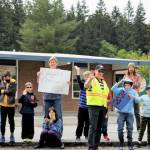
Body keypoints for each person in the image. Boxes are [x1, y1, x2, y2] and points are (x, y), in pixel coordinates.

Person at [85, 64, 110, 150]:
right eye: (99, 71)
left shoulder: (104, 82)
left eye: (102, 71)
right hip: (94, 106)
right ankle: (91, 147)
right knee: (93, 127)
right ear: (95, 71)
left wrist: (106, 108)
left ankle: (96, 146)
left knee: (99, 127)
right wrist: (89, 79)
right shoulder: (92, 79)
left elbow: (106, 95)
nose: (101, 73)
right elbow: (86, 86)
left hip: (103, 107)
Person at [111, 78, 140, 150]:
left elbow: (138, 100)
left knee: (130, 129)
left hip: (130, 114)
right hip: (120, 113)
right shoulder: (121, 90)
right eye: (125, 85)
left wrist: (133, 97)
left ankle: (130, 145)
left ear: (131, 86)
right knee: (120, 129)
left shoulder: (133, 91)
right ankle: (121, 144)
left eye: (128, 85)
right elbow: (113, 89)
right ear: (124, 85)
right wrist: (120, 81)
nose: (127, 86)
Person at [123, 62, 141, 131]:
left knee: (137, 112)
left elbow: (138, 85)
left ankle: (138, 128)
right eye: (129, 67)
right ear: (128, 68)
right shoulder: (125, 75)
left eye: (132, 67)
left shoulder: (138, 76)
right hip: (127, 95)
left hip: (134, 95)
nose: (130, 69)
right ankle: (127, 128)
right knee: (127, 112)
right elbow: (123, 84)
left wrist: (131, 83)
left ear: (134, 68)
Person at [0, 72, 16, 144]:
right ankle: (2, 136)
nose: (7, 78)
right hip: (3, 105)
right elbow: (1, 91)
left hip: (11, 106)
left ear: (10, 77)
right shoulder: (2, 83)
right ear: (4, 77)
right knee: (2, 122)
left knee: (11, 121)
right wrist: (3, 91)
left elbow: (11, 91)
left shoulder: (13, 83)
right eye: (6, 76)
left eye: (8, 76)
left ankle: (12, 135)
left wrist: (4, 91)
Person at [74, 66, 90, 141]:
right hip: (82, 108)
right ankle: (78, 136)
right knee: (80, 123)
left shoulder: (92, 86)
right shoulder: (83, 84)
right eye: (85, 76)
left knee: (87, 123)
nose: (86, 77)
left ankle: (86, 135)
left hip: (89, 108)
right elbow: (78, 80)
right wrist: (78, 71)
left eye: (88, 76)